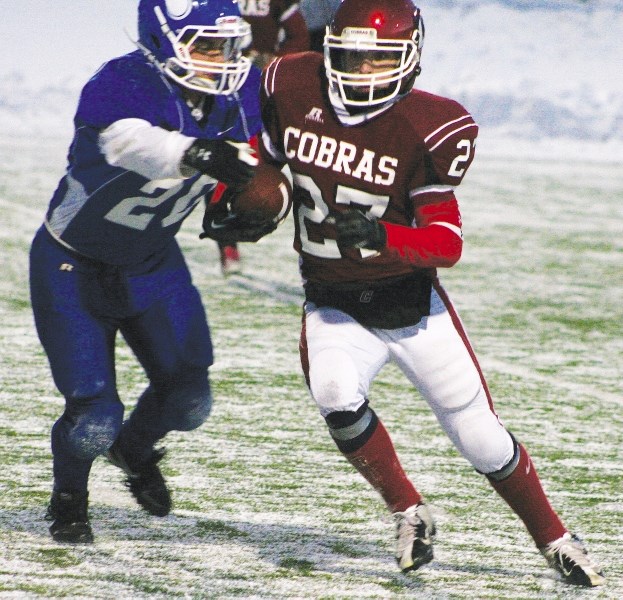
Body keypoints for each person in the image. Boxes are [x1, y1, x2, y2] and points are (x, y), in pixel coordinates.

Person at [246, 0, 607, 587]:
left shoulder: (426, 124)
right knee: (335, 393)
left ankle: (556, 539)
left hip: (411, 305)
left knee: (482, 439)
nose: (360, 69)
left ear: (408, 60)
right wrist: (241, 198)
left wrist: (384, 234)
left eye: (376, 58)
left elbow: (446, 241)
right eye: (351, 55)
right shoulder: (292, 82)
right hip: (332, 300)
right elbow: (256, 150)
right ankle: (409, 512)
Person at [30, 0, 270, 543]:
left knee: (190, 400)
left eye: (228, 45)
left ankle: (134, 452)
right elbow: (125, 142)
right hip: (73, 264)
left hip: (153, 262)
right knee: (94, 416)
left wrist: (254, 205)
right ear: (162, 40)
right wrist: (197, 154)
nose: (222, 60)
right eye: (206, 46)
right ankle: (70, 496)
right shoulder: (123, 81)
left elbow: (260, 161)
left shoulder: (242, 92)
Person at [211, 0, 310, 275]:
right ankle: (226, 238)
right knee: (227, 152)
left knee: (265, 148)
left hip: (261, 83)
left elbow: (298, 35)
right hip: (219, 79)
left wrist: (274, 58)